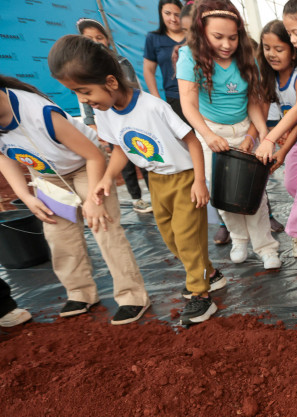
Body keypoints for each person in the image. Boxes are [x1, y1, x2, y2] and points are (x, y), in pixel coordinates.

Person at [50, 35, 226, 325]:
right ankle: (210, 273)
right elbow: (121, 148)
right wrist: (107, 176)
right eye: (76, 94)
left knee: (187, 238)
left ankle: (200, 295)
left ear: (110, 82)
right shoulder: (104, 112)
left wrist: (199, 181)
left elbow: (192, 141)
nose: (83, 100)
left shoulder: (153, 107)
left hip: (182, 179)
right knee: (171, 238)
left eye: (84, 91)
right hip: (155, 181)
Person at [0, 75, 150, 324]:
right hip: (48, 175)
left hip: (85, 166)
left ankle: (132, 296)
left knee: (103, 226)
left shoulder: (38, 112)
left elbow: (94, 157)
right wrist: (25, 196)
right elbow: (4, 159)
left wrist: (92, 200)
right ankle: (80, 293)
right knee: (58, 236)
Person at [177, 0, 280, 270]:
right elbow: (188, 104)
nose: (226, 44)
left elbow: (254, 102)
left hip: (244, 129)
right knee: (223, 194)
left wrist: (259, 133)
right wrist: (209, 136)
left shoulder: (246, 56)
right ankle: (239, 238)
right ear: (202, 34)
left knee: (254, 193)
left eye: (233, 37)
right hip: (212, 132)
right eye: (217, 37)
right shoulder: (189, 56)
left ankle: (266, 247)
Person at [252, 19, 297, 259]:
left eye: (279, 49)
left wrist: (282, 147)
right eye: (267, 48)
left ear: (292, 50)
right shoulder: (270, 79)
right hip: (292, 144)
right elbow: (270, 113)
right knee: (292, 186)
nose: (272, 54)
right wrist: (268, 136)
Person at [76, 18, 154, 216]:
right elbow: (84, 101)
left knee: (144, 153)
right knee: (124, 160)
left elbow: (135, 89)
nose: (95, 42)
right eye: (89, 39)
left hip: (131, 117)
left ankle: (154, 193)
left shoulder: (120, 62)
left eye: (99, 37)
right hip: (109, 121)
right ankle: (137, 198)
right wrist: (91, 123)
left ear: (107, 40)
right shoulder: (82, 70)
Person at [144, 0, 187, 120]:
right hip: (174, 97)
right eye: (167, 13)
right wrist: (156, 98)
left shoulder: (193, 36)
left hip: (200, 95)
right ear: (160, 13)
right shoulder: (153, 38)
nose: (173, 19)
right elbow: (148, 70)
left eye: (177, 14)